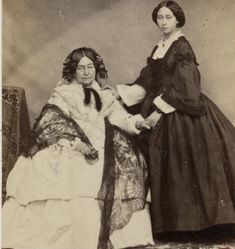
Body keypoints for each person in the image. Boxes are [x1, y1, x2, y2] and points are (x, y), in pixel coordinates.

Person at [2, 47, 155, 249]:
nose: (86, 72)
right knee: (56, 167)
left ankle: (121, 237)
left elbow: (120, 118)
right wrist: (74, 142)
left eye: (90, 67)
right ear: (73, 71)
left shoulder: (105, 94)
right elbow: (51, 122)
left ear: (96, 68)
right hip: (70, 142)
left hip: (103, 141)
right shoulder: (63, 93)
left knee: (123, 165)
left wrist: (137, 124)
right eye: (81, 68)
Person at [117, 0, 235, 238]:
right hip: (160, 103)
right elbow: (149, 79)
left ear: (177, 19)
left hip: (180, 109)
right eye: (160, 17)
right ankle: (172, 226)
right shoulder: (160, 46)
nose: (163, 22)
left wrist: (158, 111)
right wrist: (123, 95)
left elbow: (187, 86)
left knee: (187, 163)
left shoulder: (182, 47)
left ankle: (196, 226)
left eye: (168, 17)